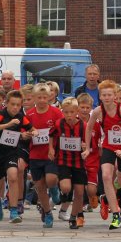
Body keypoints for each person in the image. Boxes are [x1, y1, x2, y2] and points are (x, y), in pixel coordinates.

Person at [84, 80, 121, 230]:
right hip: (108, 147)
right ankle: (115, 215)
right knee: (106, 176)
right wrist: (87, 148)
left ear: (115, 96)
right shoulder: (98, 111)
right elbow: (88, 128)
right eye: (104, 95)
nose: (107, 98)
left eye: (109, 95)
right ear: (100, 96)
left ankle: (118, 184)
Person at [0, 89, 31, 223]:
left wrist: (30, 134)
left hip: (11, 153)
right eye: (13, 104)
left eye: (18, 105)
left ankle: (14, 210)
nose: (15, 107)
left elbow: (32, 129)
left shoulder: (21, 117)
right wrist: (8, 125)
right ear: (6, 104)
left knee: (13, 177)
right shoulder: (1, 115)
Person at [26, 82, 64, 227]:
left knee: (51, 179)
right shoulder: (29, 114)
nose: (42, 100)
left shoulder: (56, 113)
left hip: (51, 154)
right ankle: (47, 213)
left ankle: (54, 190)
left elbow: (62, 129)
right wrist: (27, 134)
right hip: (35, 155)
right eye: (39, 97)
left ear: (49, 97)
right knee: (40, 186)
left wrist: (54, 146)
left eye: (44, 97)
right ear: (34, 98)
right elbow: (24, 131)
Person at [51, 97, 87, 229]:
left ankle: (73, 217)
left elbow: (89, 143)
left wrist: (85, 147)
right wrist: (50, 149)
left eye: (72, 112)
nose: (69, 115)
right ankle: (64, 194)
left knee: (79, 192)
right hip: (63, 160)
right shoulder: (59, 124)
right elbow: (51, 135)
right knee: (66, 187)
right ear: (62, 112)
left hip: (78, 162)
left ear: (77, 112)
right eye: (66, 112)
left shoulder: (83, 126)